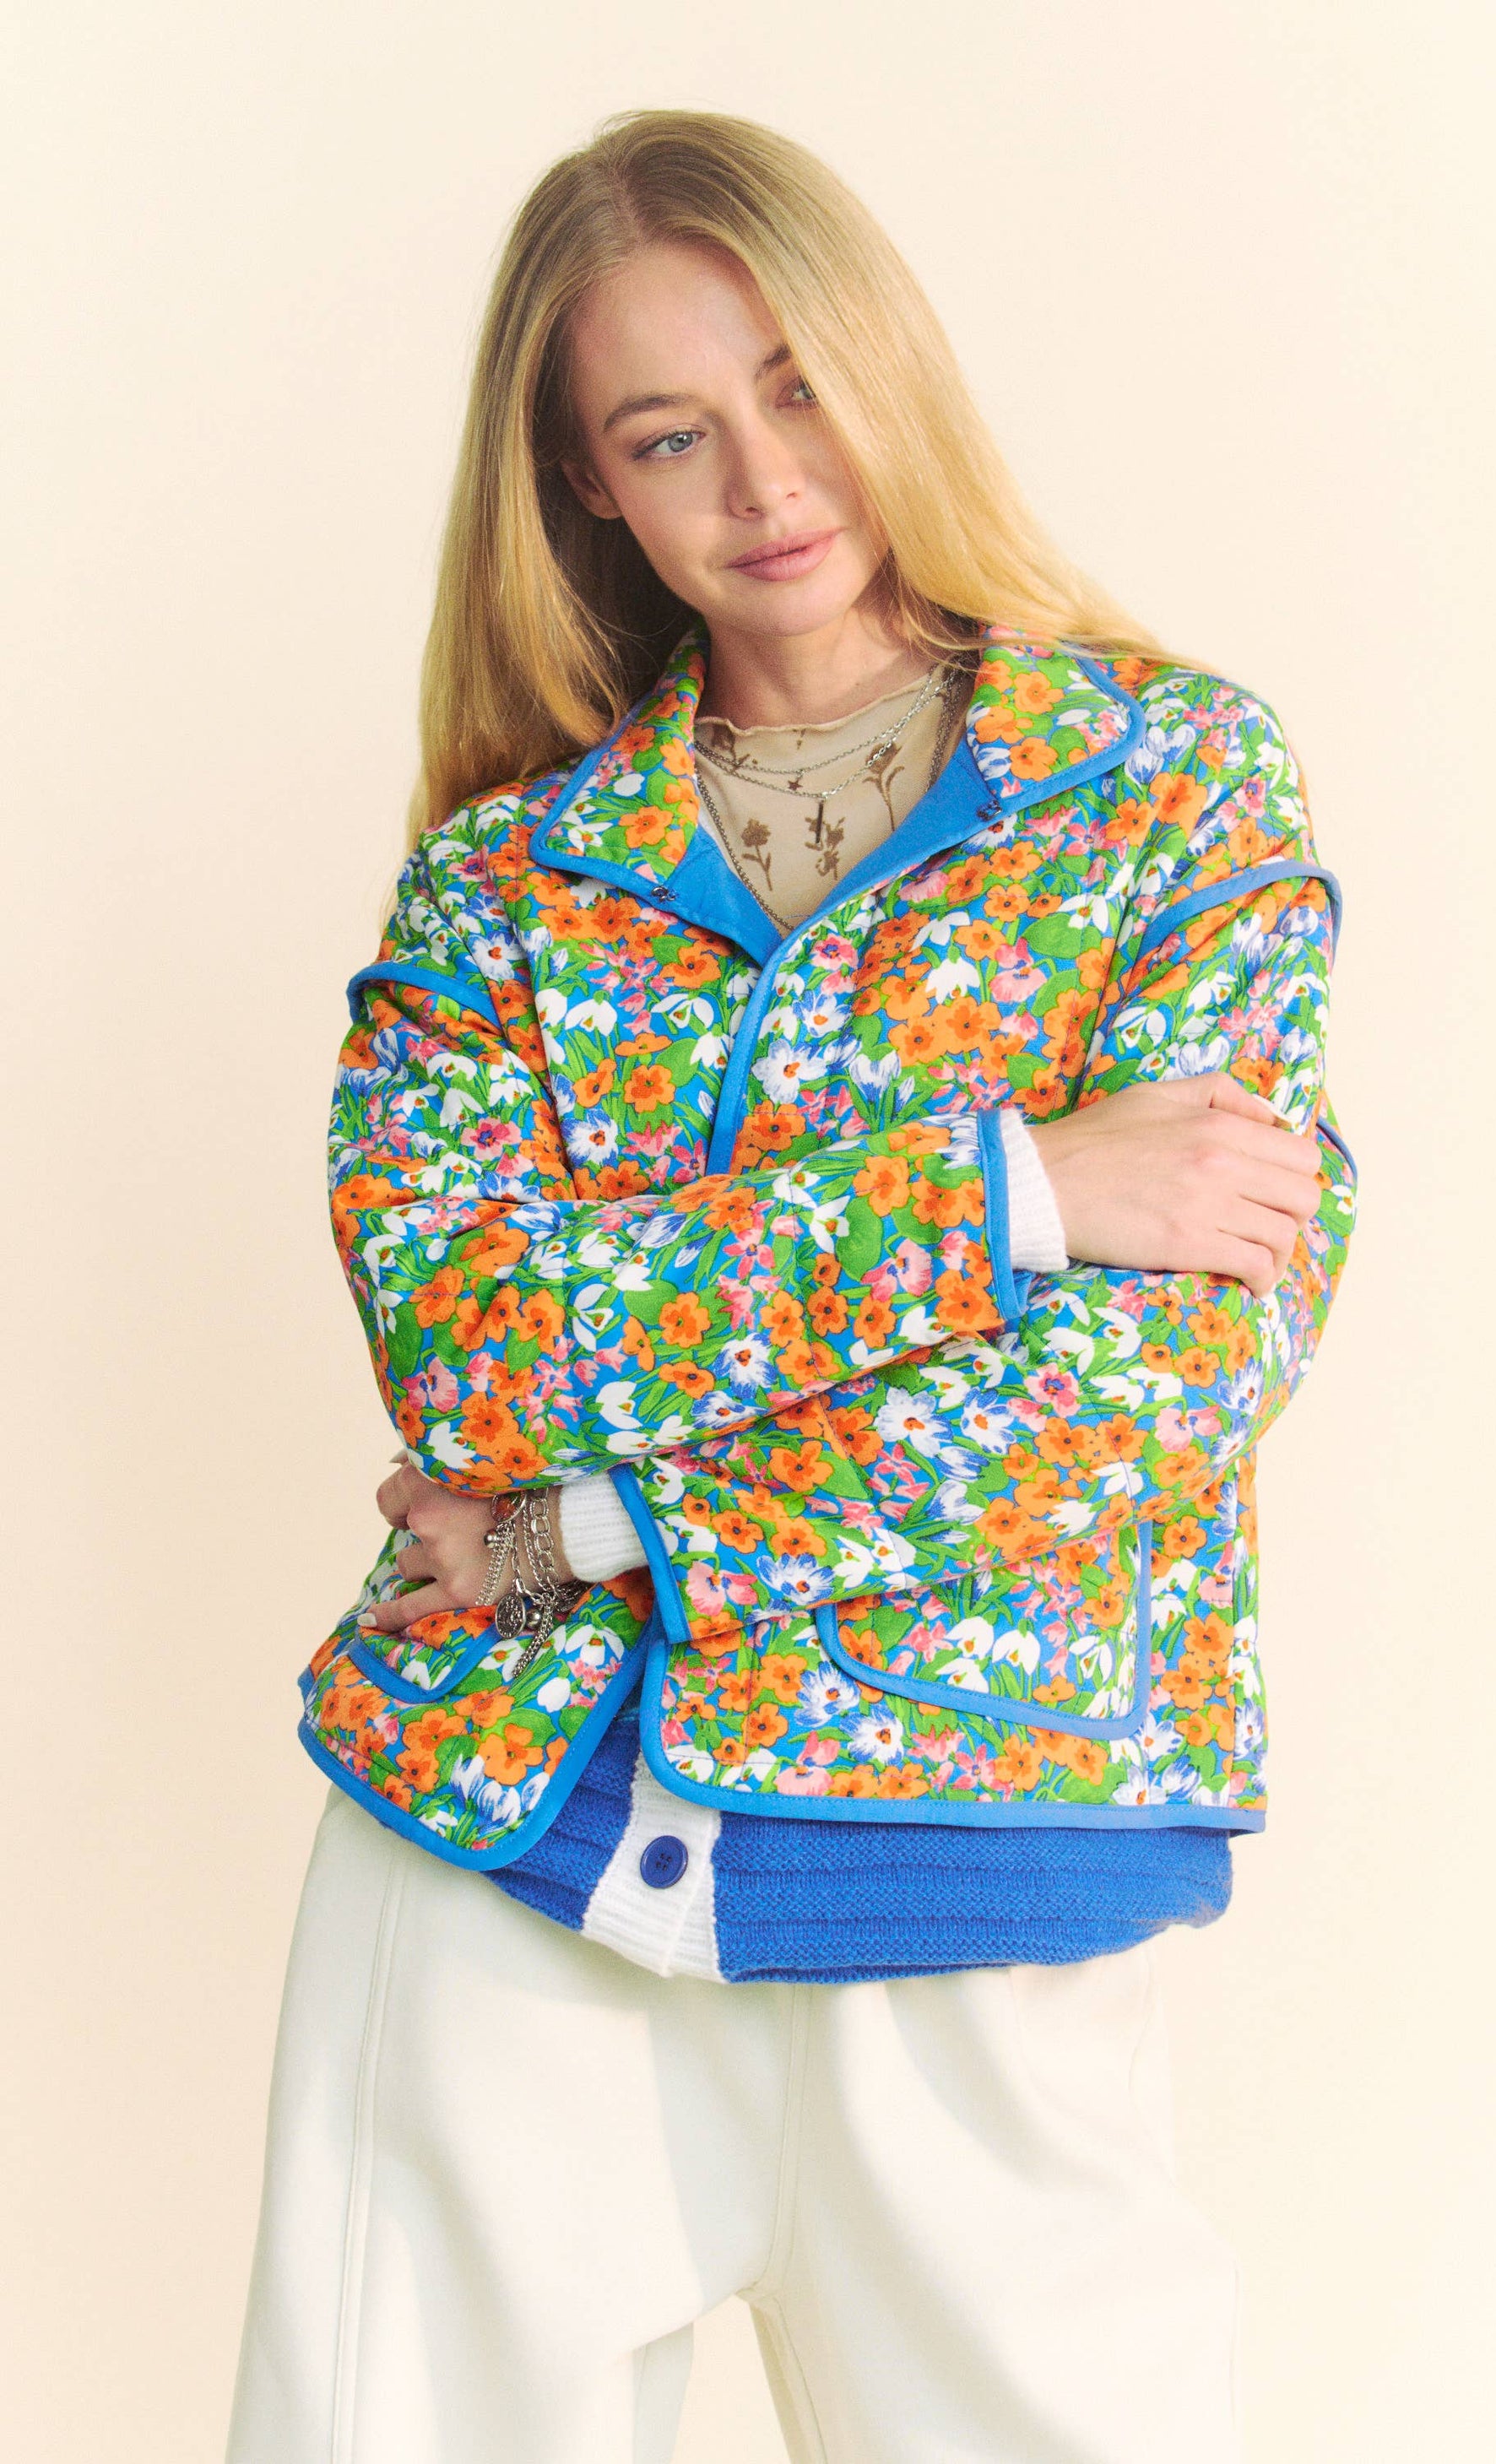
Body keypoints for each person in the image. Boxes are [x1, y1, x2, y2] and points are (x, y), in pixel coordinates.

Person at [227, 106, 1354, 2464]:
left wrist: (594, 1532)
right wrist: (1010, 1193)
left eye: (800, 385)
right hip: (501, 1850)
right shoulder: (504, 887)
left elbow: (1140, 1399)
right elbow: (475, 1344)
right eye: (668, 435)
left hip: (989, 1846)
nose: (763, 481)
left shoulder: (1168, 788)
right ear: (587, 486)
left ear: (889, 365)